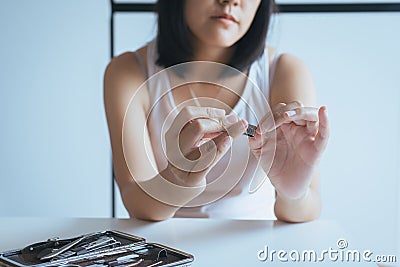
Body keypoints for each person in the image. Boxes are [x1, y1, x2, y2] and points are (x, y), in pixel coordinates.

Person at [104, 0, 329, 222]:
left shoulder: (284, 71)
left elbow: (308, 208)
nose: (230, 2)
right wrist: (176, 179)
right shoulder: (128, 72)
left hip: (258, 248)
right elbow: (136, 202)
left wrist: (293, 194)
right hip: (166, 250)